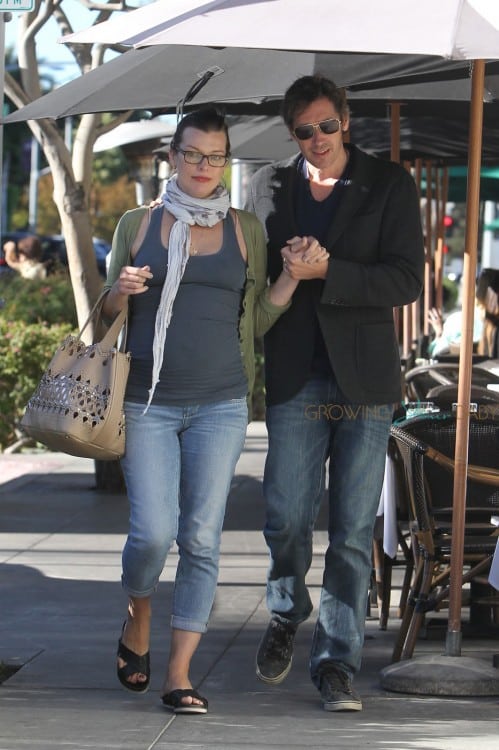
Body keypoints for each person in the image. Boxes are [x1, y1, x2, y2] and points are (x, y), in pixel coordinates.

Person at [102, 107, 326, 715]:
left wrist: (291, 277)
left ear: (225, 160)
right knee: (151, 535)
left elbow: (255, 319)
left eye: (215, 155)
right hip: (148, 402)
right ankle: (138, 612)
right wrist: (118, 293)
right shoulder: (137, 224)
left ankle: (178, 674)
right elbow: (102, 321)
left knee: (201, 538)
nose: (204, 166)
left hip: (222, 405)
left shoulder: (244, 229)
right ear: (172, 157)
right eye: (193, 154)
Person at [245, 75, 424, 712]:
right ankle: (287, 610)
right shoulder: (270, 186)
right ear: (291, 133)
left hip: (365, 379)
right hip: (295, 370)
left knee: (351, 530)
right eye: (304, 131)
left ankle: (336, 662)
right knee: (286, 514)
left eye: (327, 125)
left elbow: (406, 277)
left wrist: (331, 272)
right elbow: (255, 276)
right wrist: (290, 268)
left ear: (346, 120)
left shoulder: (389, 184)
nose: (317, 139)